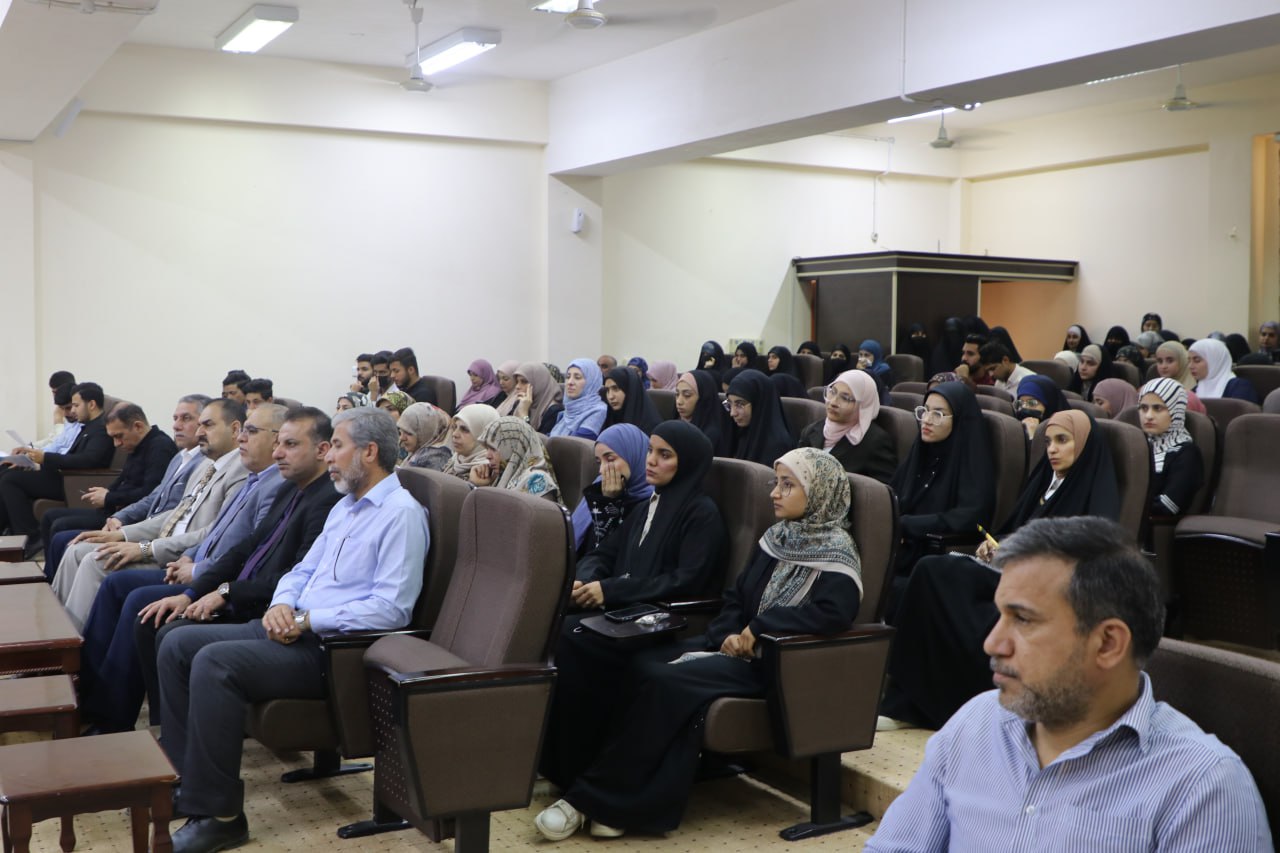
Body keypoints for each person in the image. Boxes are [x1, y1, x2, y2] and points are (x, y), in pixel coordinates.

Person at [867, 516, 1272, 853]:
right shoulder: (975, 724)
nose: (991, 643)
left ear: (1108, 643)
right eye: (999, 616)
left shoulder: (1202, 790)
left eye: (1023, 620)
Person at [536, 447, 858, 839]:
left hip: (778, 665)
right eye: (776, 482)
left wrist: (759, 629)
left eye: (788, 485)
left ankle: (589, 801)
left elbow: (832, 615)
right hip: (734, 649)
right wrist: (727, 631)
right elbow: (737, 595)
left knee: (665, 680)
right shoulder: (778, 536)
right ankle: (622, 796)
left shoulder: (837, 554)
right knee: (640, 663)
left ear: (820, 493)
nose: (775, 492)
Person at [158, 407, 428, 853]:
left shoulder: (400, 515)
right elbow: (301, 570)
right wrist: (283, 603)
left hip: (334, 652)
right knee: (179, 644)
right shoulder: (347, 506)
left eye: (338, 447)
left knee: (213, 660)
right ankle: (191, 784)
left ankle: (222, 815)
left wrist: (305, 619)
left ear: (370, 451)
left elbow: (391, 610)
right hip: (296, 630)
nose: (331, 457)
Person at [79, 407, 340, 736]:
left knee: (156, 620)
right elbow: (242, 547)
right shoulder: (287, 485)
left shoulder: (321, 498)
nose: (277, 453)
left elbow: (291, 575)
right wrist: (192, 592)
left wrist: (218, 589)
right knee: (144, 608)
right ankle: (151, 724)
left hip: (260, 606)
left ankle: (147, 730)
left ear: (323, 450)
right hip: (220, 581)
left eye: (287, 444)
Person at [880, 409, 1120, 730]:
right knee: (931, 575)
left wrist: (1017, 552)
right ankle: (908, 702)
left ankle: (919, 705)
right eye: (1048, 441)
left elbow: (1087, 556)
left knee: (935, 575)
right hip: (1009, 575)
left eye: (1063, 441)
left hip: (1049, 592)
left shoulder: (1095, 492)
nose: (1052, 449)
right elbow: (1018, 529)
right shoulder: (1045, 482)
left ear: (1084, 447)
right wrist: (997, 544)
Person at [537, 421, 726, 806]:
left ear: (686, 463)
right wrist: (585, 579)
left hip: (665, 622)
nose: (651, 462)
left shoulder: (701, 513)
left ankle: (581, 769)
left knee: (573, 641)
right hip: (627, 612)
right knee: (559, 630)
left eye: (664, 455)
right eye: (651, 452)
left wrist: (611, 590)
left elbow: (684, 579)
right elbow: (605, 553)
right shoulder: (648, 504)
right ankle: (560, 765)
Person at [51, 399, 259, 629]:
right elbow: (174, 512)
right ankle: (57, 628)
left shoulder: (240, 470)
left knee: (95, 559)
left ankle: (70, 641)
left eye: (206, 425)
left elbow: (212, 534)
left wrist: (144, 547)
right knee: (77, 548)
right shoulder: (204, 464)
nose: (198, 432)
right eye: (196, 424)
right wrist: (123, 534)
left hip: (178, 556)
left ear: (234, 429)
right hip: (161, 541)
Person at [42, 395, 210, 579]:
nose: (176, 425)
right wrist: (118, 516)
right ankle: (50, 593)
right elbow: (154, 496)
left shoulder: (166, 449)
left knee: (80, 550)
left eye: (186, 419)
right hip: (137, 521)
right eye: (175, 418)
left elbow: (172, 510)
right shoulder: (180, 457)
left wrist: (115, 510)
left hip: (154, 533)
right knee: (63, 532)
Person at [36, 402, 177, 561]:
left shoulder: (160, 447)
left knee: (60, 527)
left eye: (119, 436)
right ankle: (49, 577)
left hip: (129, 519)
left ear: (138, 426)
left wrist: (109, 497)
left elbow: (151, 495)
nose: (117, 444)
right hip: (114, 511)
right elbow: (123, 479)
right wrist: (106, 493)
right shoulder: (136, 445)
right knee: (49, 516)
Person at [890, 381, 995, 575]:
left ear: (959, 420)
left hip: (935, 559)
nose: (927, 420)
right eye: (925, 411)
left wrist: (907, 525)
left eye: (938, 414)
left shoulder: (972, 462)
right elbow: (893, 495)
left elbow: (968, 518)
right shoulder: (921, 453)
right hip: (900, 548)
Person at [0, 382, 114, 545]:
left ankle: (29, 537)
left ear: (92, 405)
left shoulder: (101, 429)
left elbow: (88, 460)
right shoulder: (88, 427)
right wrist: (36, 459)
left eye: (75, 405)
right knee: (7, 471)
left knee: (11, 480)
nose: (72, 411)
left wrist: (46, 458)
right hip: (63, 475)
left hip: (74, 483)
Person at [797, 370, 897, 482]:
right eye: (832, 392)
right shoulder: (811, 430)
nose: (833, 402)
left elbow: (883, 491)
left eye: (845, 398)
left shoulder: (876, 442)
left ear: (863, 405)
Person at [569, 423, 653, 555]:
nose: (602, 470)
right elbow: (585, 548)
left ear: (633, 455)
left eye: (610, 459)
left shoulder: (652, 502)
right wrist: (605, 500)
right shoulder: (599, 487)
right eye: (599, 462)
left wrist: (609, 503)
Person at [1138, 378, 1203, 518]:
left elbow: (1167, 507)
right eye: (1143, 408)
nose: (1148, 416)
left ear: (1176, 411)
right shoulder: (1139, 444)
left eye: (1158, 408)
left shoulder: (1187, 453)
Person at [471, 416, 561, 502]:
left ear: (515, 449)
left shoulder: (538, 480)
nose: (488, 456)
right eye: (487, 449)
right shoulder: (501, 474)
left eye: (494, 449)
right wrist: (478, 485)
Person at [724, 369, 794, 466]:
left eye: (739, 405)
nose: (732, 413)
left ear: (759, 404)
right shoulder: (742, 432)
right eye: (729, 404)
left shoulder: (778, 446)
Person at [550, 358, 608, 439]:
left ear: (591, 382)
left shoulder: (598, 410)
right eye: (568, 377)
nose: (570, 382)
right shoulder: (568, 410)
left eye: (577, 377)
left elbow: (574, 443)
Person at [673, 370, 728, 454]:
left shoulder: (710, 436)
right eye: (677, 394)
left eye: (687, 395)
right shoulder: (676, 423)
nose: (679, 401)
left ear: (703, 398)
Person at [1188, 338, 1259, 402]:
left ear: (1214, 361)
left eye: (1197, 360)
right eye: (1189, 360)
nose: (1190, 366)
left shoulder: (1240, 387)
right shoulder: (1195, 390)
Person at [441, 403, 499, 480]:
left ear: (484, 434)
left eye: (465, 430)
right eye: (455, 427)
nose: (454, 434)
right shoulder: (455, 460)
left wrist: (474, 485)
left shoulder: (488, 472)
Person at [601, 366, 663, 434]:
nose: (610, 396)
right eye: (607, 390)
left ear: (630, 390)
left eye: (616, 389)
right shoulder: (609, 418)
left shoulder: (651, 426)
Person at [396, 402, 453, 471]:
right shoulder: (417, 450)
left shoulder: (435, 459)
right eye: (400, 432)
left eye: (409, 433)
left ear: (426, 433)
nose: (402, 438)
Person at [1153, 340, 1207, 413]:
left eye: (1170, 361)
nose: (1164, 366)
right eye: (1160, 361)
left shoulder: (1194, 391)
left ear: (1182, 361)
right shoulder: (1153, 389)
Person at [510, 361, 563, 434]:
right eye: (517, 382)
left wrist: (524, 415)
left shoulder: (554, 411)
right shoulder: (520, 402)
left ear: (539, 383)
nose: (517, 386)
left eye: (524, 382)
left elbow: (536, 443)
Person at [1014, 374, 1070, 441]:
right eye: (1020, 403)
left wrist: (1034, 437)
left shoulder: (1066, 433)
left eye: (1032, 403)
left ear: (1049, 405)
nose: (1024, 407)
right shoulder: (1015, 427)